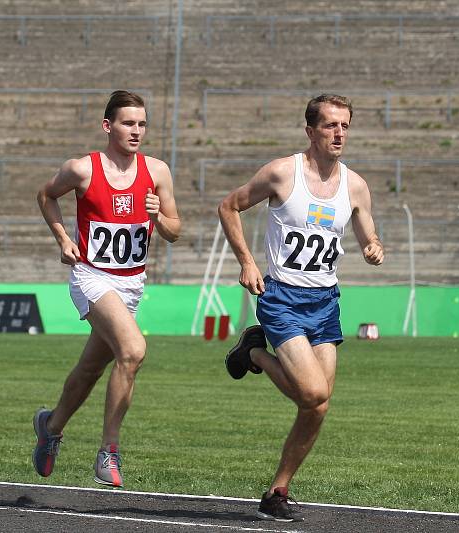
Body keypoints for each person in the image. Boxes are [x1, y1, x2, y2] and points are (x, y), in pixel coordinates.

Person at [218, 94, 384, 521]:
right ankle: (253, 352)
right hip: (283, 298)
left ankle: (278, 491)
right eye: (330, 125)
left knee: (318, 405)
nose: (339, 133)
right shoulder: (281, 173)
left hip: (325, 302)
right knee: (313, 393)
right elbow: (229, 206)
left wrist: (372, 246)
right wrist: (247, 261)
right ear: (310, 131)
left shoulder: (354, 184)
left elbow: (367, 227)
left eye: (345, 125)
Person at [33, 90, 180, 488]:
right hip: (91, 276)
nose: (137, 131)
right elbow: (46, 195)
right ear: (108, 126)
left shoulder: (158, 172)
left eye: (142, 124)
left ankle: (51, 426)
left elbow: (175, 230)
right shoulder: (83, 170)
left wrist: (158, 218)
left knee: (91, 368)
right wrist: (63, 238)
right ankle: (108, 451)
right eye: (128, 123)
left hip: (131, 283)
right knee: (132, 350)